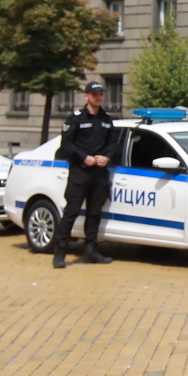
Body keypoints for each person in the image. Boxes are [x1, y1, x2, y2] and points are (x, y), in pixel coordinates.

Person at [52, 81, 116, 269]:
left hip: (99, 173)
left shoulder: (106, 119)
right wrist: (84, 157)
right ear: (86, 96)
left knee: (94, 214)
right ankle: (60, 252)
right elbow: (66, 143)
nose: (99, 97)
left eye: (101, 94)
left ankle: (91, 251)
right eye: (95, 94)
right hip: (81, 172)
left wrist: (107, 157)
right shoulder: (76, 118)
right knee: (71, 212)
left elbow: (113, 142)